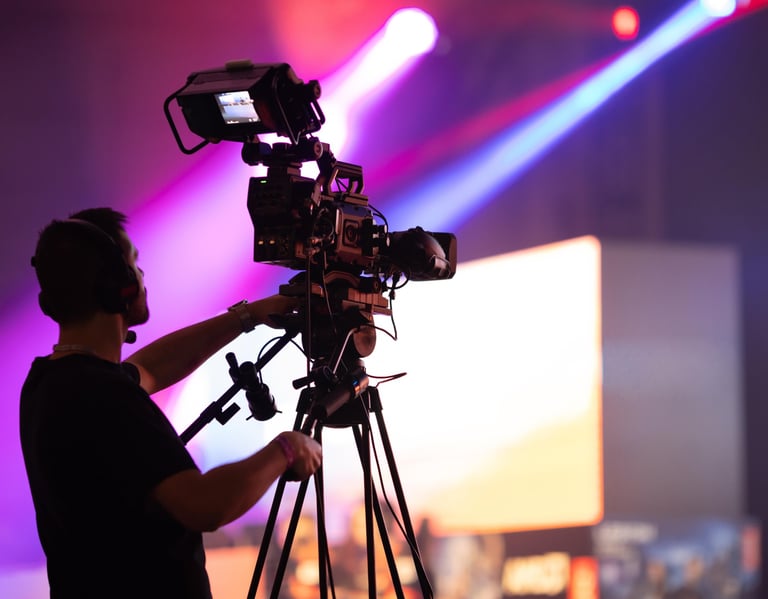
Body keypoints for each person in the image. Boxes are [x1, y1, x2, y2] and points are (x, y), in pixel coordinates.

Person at [19, 207, 323, 598]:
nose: (141, 275)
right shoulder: (106, 396)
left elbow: (151, 367)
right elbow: (206, 504)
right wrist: (287, 449)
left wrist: (248, 315)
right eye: (134, 264)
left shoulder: (51, 381)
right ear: (116, 284)